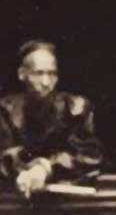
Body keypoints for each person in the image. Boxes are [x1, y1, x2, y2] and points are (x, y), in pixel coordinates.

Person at [0, 40, 103, 197]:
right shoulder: (5, 110)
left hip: (69, 206)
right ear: (22, 74)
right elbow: (4, 156)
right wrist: (25, 171)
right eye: (38, 73)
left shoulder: (76, 108)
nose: (46, 82)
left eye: (52, 74)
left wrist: (46, 167)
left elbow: (89, 156)